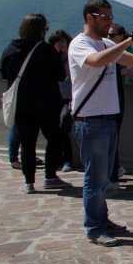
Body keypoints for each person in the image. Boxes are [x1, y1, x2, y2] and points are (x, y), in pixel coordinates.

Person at [69, 0, 133, 246]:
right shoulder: (80, 44)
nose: (109, 21)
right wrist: (128, 41)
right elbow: (96, 61)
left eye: (110, 16)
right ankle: (94, 228)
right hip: (90, 120)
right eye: (104, 17)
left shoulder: (107, 43)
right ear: (90, 17)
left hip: (108, 118)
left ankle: (102, 220)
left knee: (103, 177)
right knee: (94, 179)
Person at [0, 14, 71, 193]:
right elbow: (60, 75)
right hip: (47, 102)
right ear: (41, 30)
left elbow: (4, 72)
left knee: (27, 142)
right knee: (54, 138)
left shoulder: (11, 47)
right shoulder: (45, 50)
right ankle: (50, 176)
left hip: (22, 104)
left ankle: (29, 182)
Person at [106, 24, 133, 187]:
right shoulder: (109, 50)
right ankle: (113, 171)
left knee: (112, 136)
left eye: (112, 35)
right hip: (111, 96)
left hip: (116, 95)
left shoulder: (121, 52)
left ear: (121, 36)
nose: (109, 37)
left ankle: (113, 173)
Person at [49, 30, 75, 172]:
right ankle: (58, 159)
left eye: (63, 41)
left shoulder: (73, 55)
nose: (61, 44)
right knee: (55, 129)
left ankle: (67, 160)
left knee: (64, 128)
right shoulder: (52, 58)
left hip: (69, 96)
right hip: (55, 96)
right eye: (58, 42)